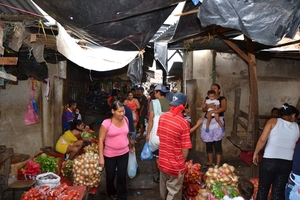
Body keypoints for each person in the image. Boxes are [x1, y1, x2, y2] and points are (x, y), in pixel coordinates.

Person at [253, 103, 300, 200]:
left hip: (269, 161)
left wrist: (256, 153)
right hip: (286, 164)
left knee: (263, 189)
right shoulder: (297, 127)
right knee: (278, 192)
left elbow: (262, 140)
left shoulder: (273, 121)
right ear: (293, 115)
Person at [98, 100, 135, 200]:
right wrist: (101, 158)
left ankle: (122, 196)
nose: (122, 114)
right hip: (110, 155)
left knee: (122, 177)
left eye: (123, 111)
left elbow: (127, 134)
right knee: (110, 176)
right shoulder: (106, 123)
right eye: (119, 111)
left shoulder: (126, 120)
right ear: (113, 111)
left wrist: (131, 145)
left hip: (124, 153)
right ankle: (111, 192)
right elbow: (101, 140)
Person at [157, 93, 191, 199]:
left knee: (163, 187)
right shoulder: (183, 123)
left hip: (163, 161)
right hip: (175, 165)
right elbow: (185, 149)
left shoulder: (163, 117)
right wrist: (181, 163)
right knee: (174, 191)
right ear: (184, 106)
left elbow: (160, 137)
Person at [145, 84, 170, 182]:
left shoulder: (153, 103)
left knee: (158, 156)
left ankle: (161, 176)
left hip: (156, 133)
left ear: (158, 93)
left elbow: (151, 120)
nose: (154, 94)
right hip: (167, 133)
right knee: (166, 155)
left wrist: (148, 134)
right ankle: (167, 176)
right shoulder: (170, 103)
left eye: (155, 92)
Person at [201, 83, 227, 168]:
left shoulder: (222, 99)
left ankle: (218, 163)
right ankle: (210, 161)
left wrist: (212, 111)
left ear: (219, 90)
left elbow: (223, 108)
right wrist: (208, 106)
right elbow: (203, 109)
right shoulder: (207, 99)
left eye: (215, 88)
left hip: (217, 121)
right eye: (212, 88)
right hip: (208, 121)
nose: (213, 89)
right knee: (208, 142)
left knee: (217, 143)